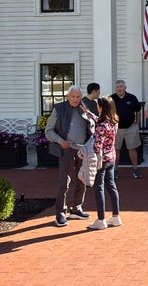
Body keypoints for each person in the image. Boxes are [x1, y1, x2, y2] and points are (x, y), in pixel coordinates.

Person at [45, 85, 95, 227]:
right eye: (72, 97)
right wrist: (61, 141)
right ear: (68, 97)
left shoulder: (84, 107)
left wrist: (90, 119)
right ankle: (60, 212)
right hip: (66, 149)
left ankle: (76, 208)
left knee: (82, 178)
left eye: (78, 97)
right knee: (64, 181)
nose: (75, 99)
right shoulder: (59, 109)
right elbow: (48, 131)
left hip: (83, 149)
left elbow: (94, 125)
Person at [83, 96, 122, 230]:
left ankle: (101, 220)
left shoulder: (101, 126)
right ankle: (116, 217)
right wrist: (88, 112)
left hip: (101, 159)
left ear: (102, 108)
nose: (97, 107)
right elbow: (98, 119)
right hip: (111, 158)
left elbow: (97, 145)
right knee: (111, 186)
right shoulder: (113, 122)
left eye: (99, 105)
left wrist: (86, 151)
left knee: (99, 187)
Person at [111, 79, 142, 179]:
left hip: (130, 128)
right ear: (115, 88)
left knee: (132, 149)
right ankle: (115, 170)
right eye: (117, 87)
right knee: (116, 150)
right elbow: (106, 112)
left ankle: (135, 169)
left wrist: (137, 124)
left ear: (125, 88)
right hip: (116, 128)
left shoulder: (132, 98)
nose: (119, 89)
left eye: (121, 87)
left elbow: (138, 111)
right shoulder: (111, 99)